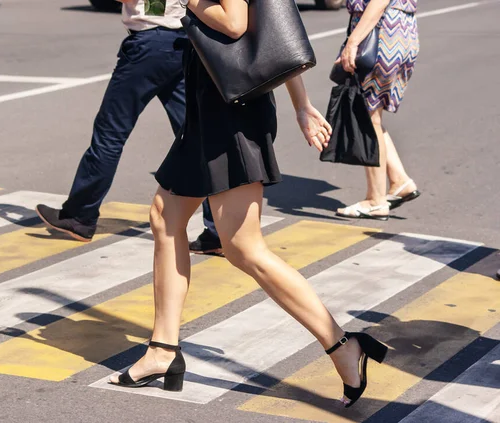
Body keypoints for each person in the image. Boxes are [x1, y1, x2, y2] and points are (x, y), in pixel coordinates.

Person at [109, 0, 388, 408]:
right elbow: (272, 27)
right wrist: (300, 104)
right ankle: (162, 351)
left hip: (230, 113)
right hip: (213, 105)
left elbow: (237, 22)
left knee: (244, 248)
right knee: (165, 217)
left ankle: (343, 345)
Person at [35, 0, 218, 242]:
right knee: (198, 135)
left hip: (148, 45)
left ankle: (79, 215)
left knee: (110, 133)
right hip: (182, 41)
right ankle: (219, 231)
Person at [336, 0, 420, 220]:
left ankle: (375, 200)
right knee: (371, 112)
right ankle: (399, 181)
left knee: (366, 114)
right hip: (398, 29)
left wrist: (353, 42)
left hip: (380, 30)